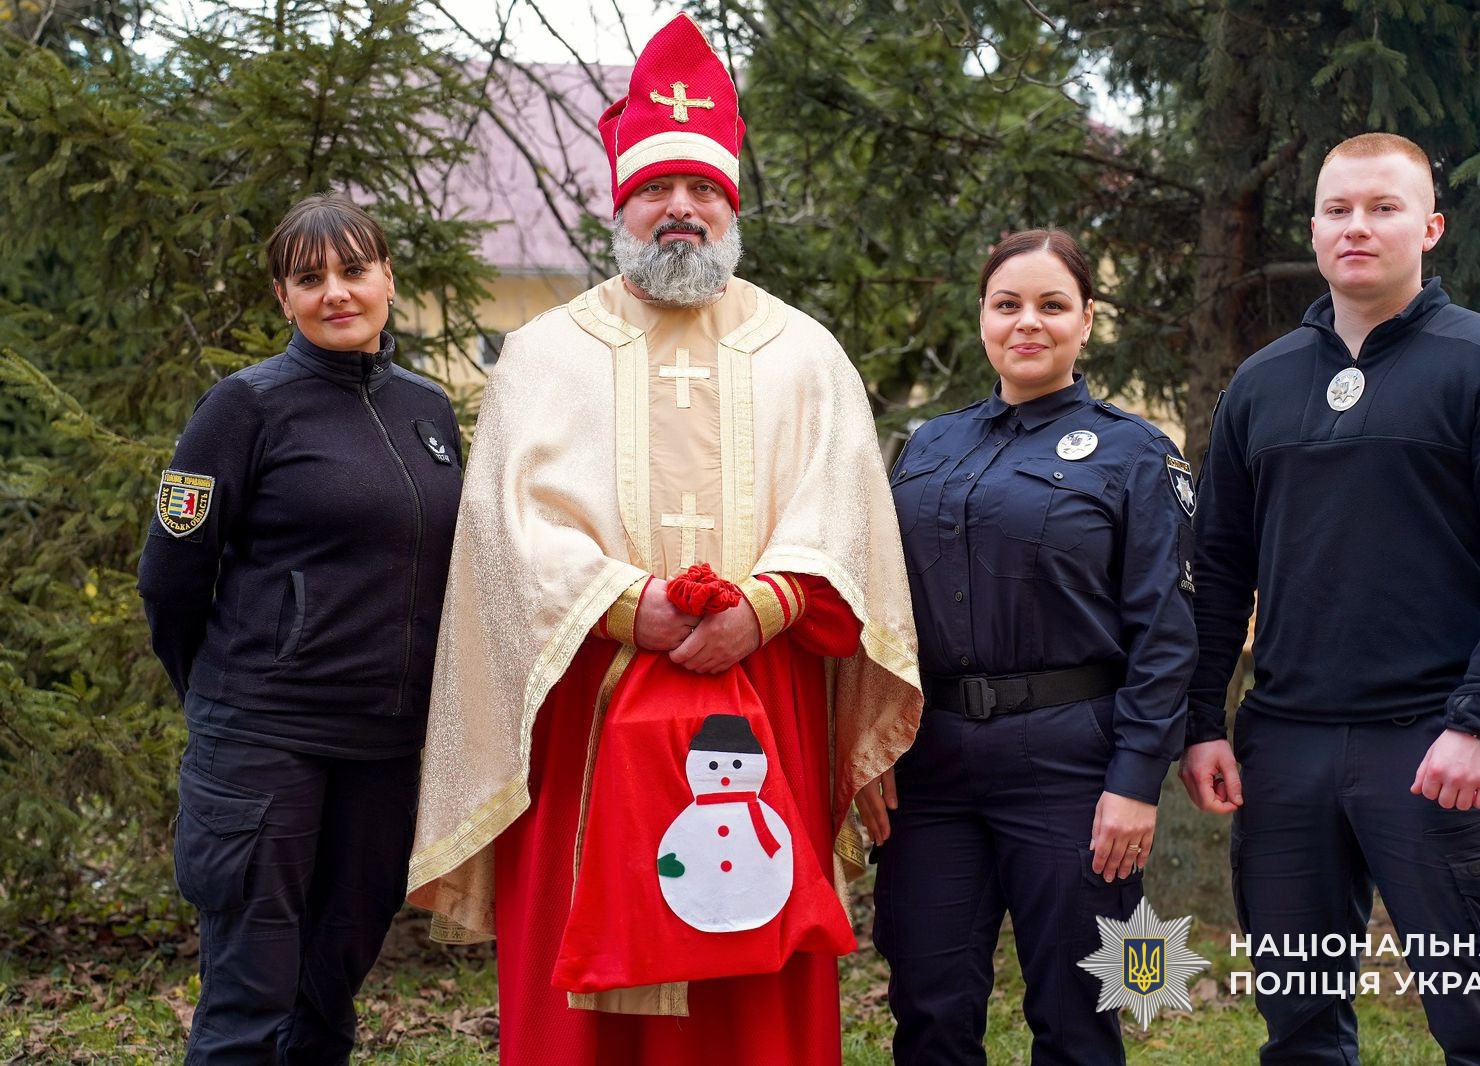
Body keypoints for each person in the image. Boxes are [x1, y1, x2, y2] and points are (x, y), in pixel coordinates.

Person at [403, 13, 921, 1066]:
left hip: (761, 697)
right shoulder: (542, 356)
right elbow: (505, 538)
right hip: (587, 714)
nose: (679, 209)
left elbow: (844, 517)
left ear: (730, 204)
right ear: (620, 202)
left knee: (756, 986)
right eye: (657, 189)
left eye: (702, 190)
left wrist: (764, 603)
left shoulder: (803, 353)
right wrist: (617, 603)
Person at [1179, 132, 1480, 1064]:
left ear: (1431, 227)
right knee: (1300, 1029)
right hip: (1284, 753)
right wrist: (1204, 718)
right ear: (1315, 226)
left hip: (1437, 747)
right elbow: (1221, 564)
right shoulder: (1261, 383)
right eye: (1337, 209)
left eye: (1383, 207)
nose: (1356, 226)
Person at [136, 193, 464, 1063]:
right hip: (263, 743)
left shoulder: (428, 413)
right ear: (284, 298)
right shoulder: (243, 408)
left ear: (388, 278)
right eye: (310, 278)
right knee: (252, 994)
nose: (336, 294)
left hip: (384, 748)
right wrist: (220, 695)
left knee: (333, 984)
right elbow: (170, 575)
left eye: (354, 271)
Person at [859, 229, 1198, 1065]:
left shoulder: (1136, 453)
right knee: (930, 1007)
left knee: (1079, 1014)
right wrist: (870, 743)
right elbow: (882, 600)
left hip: (1073, 767)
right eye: (1007, 304)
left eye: (1053, 305)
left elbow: (1166, 631)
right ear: (982, 315)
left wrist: (1136, 782)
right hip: (932, 765)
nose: (1028, 323)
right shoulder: (930, 444)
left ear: (1087, 322)